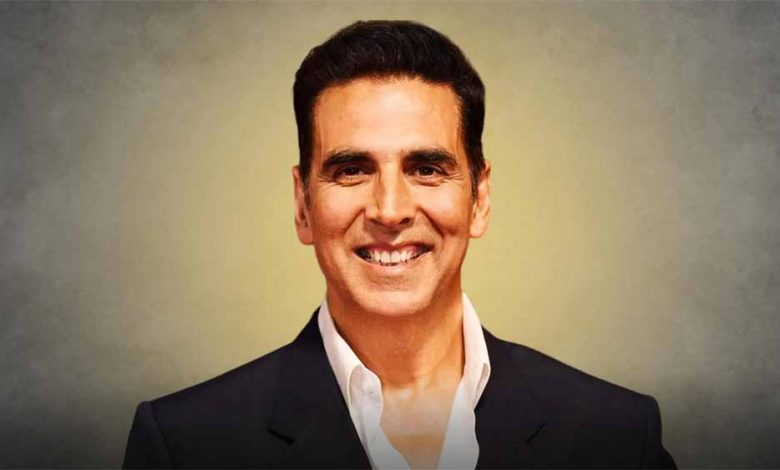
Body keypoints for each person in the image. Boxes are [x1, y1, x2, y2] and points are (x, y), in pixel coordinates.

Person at [123, 20, 676, 469]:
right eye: (352, 170)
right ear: (303, 205)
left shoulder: (619, 437)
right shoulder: (184, 445)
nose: (390, 210)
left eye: (427, 168)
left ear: (479, 199)